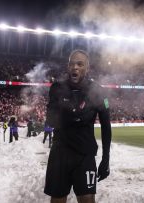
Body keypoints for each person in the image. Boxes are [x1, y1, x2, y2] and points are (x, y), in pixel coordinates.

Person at [44, 50, 112, 203]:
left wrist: (106, 159)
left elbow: (106, 127)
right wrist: (76, 114)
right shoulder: (56, 88)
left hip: (85, 156)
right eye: (72, 63)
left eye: (80, 64)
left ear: (87, 68)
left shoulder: (98, 91)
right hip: (60, 154)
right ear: (68, 66)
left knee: (88, 200)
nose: (75, 67)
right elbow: (50, 120)